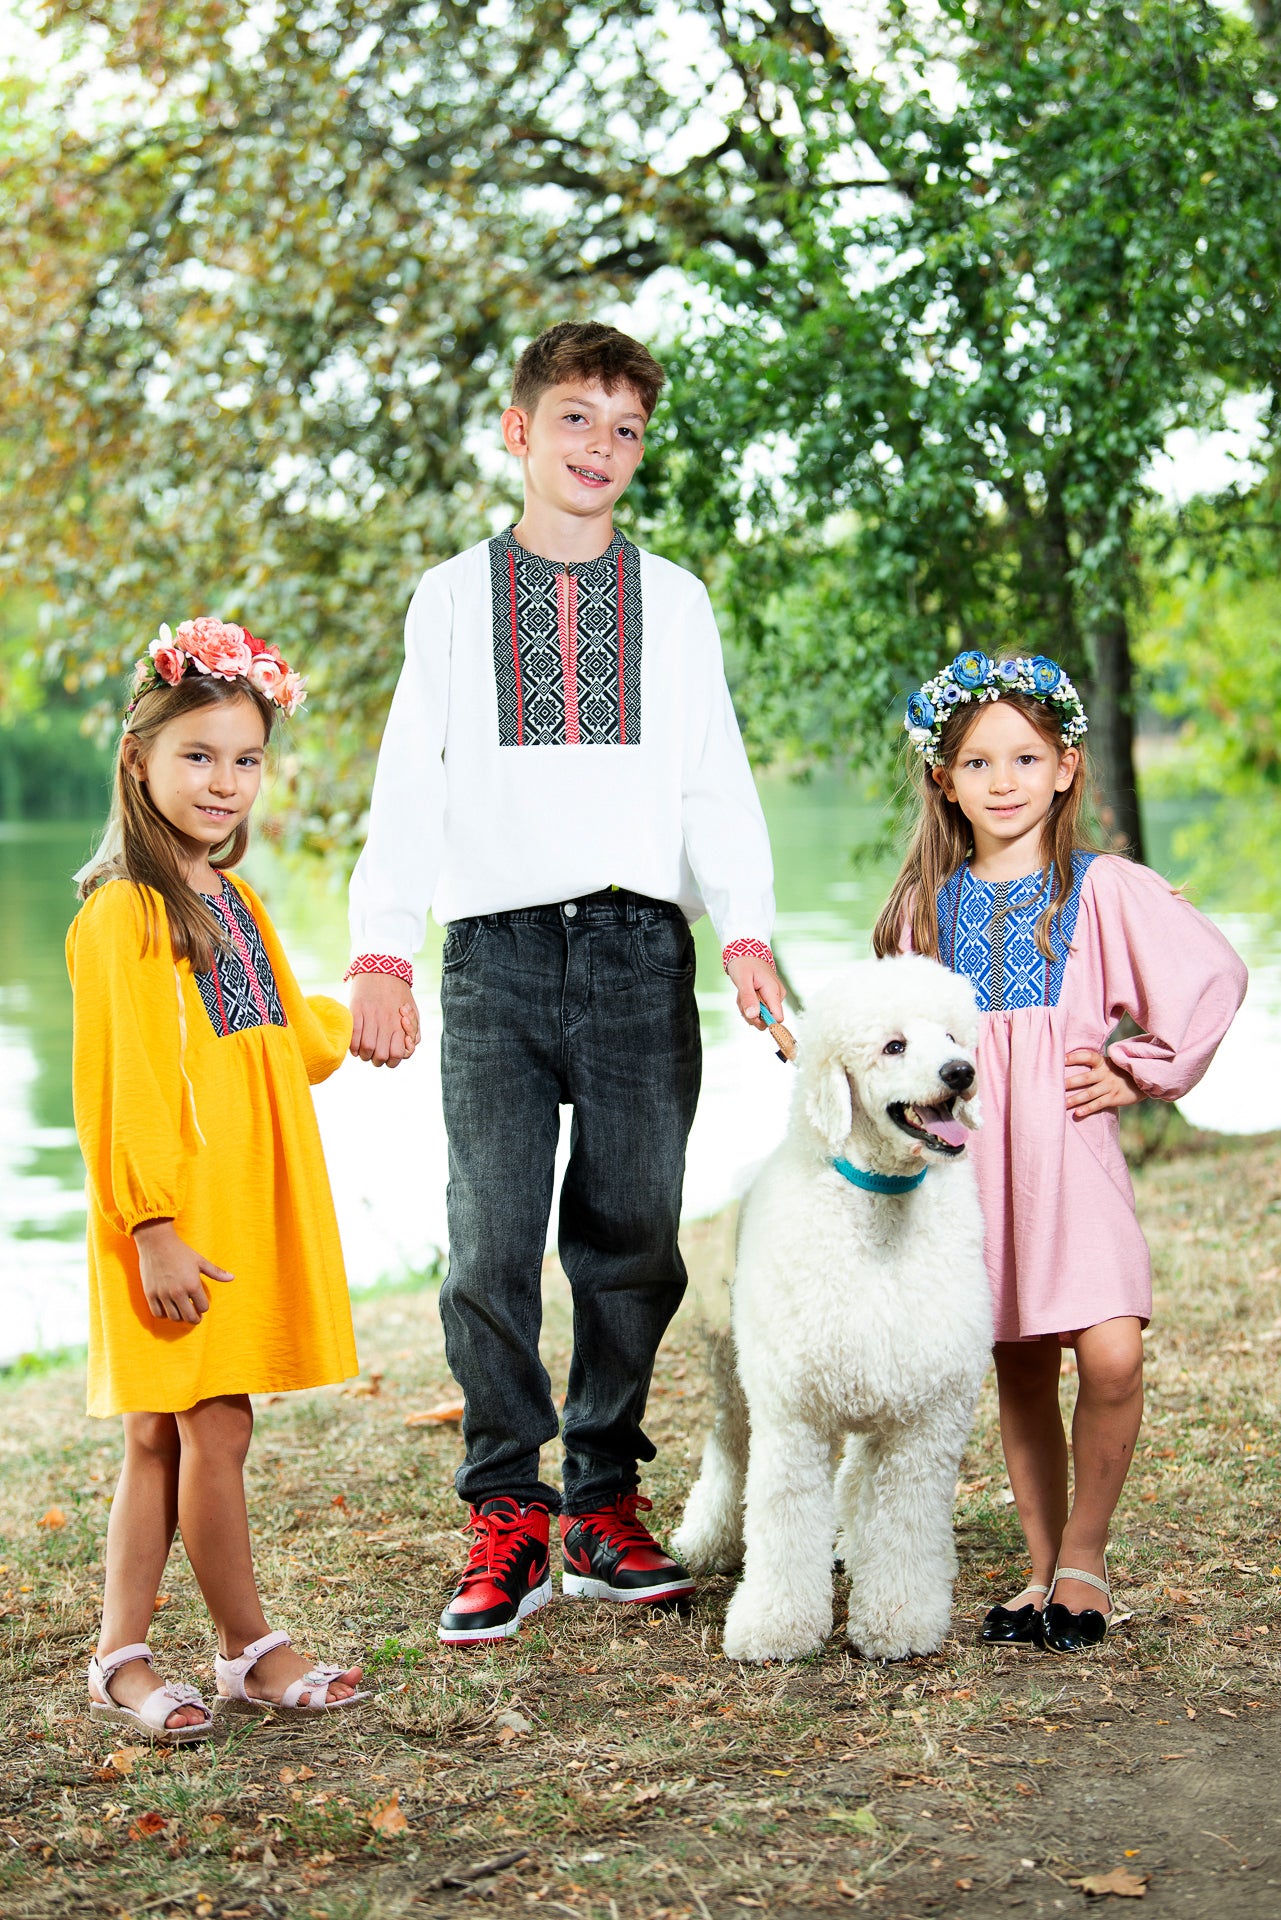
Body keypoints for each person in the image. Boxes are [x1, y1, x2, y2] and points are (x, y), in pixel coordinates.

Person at [346, 321, 782, 1645]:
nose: (600, 446)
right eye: (576, 419)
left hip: (642, 950)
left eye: (625, 428)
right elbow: (408, 784)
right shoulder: (449, 597)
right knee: (489, 1241)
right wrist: (382, 949)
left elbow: (713, 779)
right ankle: (505, 1511)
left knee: (633, 1234)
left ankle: (600, 1502)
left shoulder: (678, 600)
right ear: (519, 430)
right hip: (496, 955)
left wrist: (747, 931)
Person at [873, 651, 1246, 1652]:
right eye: (979, 762)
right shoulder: (924, 907)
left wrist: (1138, 1068)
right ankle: (1045, 1569)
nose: (1004, 781)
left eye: (1025, 759)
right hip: (975, 1165)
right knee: (1023, 1361)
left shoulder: (1104, 888)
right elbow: (891, 1047)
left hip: (1070, 1155)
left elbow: (1211, 972)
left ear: (1066, 767)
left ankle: (1087, 1551)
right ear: (944, 779)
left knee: (1112, 1353)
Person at [68, 619, 369, 1740]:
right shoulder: (124, 911)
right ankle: (250, 1647)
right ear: (139, 758)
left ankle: (120, 1657)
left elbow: (275, 1034)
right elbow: (126, 1083)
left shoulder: (229, 900)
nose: (224, 782)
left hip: (229, 1203)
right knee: (216, 1425)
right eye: (197, 755)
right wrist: (151, 1223)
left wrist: (358, 1020)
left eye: (246, 759)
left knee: (160, 1435)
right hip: (172, 1215)